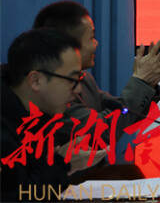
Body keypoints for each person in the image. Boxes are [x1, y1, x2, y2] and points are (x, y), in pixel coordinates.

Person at [32, 1, 160, 142]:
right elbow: (103, 130)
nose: (96, 43)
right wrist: (141, 81)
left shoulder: (85, 79)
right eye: (91, 38)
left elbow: (125, 114)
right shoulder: (49, 94)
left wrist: (147, 84)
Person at [1, 28, 102, 202]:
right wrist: (63, 163)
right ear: (36, 81)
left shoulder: (40, 113)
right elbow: (15, 197)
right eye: (72, 80)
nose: (78, 89)